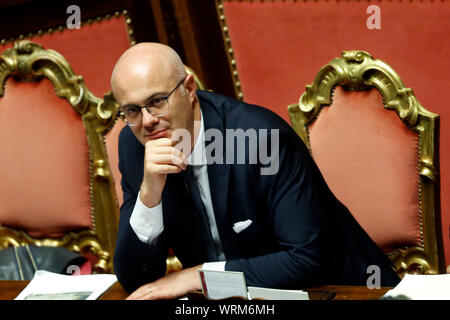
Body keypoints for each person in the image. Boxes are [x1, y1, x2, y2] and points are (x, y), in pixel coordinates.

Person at [111, 42, 400, 300]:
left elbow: (309, 258)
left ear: (188, 89)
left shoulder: (260, 139)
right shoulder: (136, 146)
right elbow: (136, 279)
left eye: (157, 101)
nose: (147, 121)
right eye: (132, 111)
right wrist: (149, 195)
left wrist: (196, 276)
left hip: (343, 290)